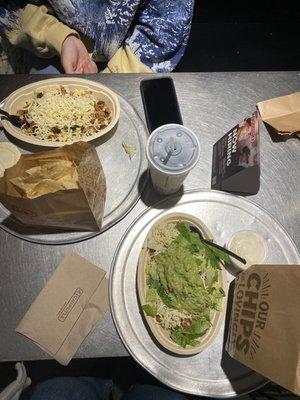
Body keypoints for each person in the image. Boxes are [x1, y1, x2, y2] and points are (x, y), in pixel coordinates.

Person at [0, 1, 195, 74]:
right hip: (47, 46)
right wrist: (59, 37)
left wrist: (115, 79)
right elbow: (9, 7)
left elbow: (167, 23)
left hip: (135, 54)